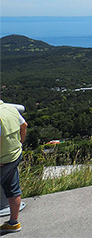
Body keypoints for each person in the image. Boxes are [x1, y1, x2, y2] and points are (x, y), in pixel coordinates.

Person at [0, 100, 27, 233]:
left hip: (2, 161)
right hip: (14, 156)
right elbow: (24, 125)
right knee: (13, 190)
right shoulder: (10, 109)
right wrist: (20, 142)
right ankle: (13, 223)